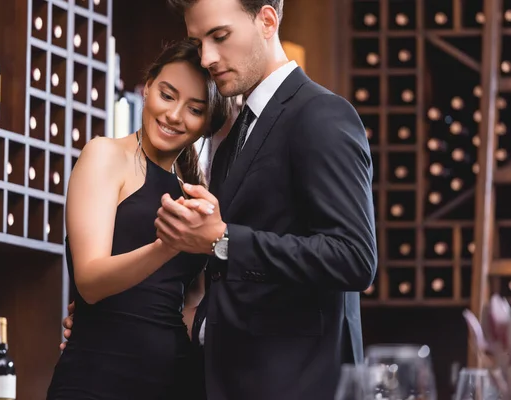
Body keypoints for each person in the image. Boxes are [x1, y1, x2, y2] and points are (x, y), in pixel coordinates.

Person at [63, 0, 377, 398]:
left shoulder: (321, 114)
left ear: (267, 20)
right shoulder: (231, 144)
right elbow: (220, 279)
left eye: (220, 36)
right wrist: (116, 323)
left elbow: (355, 258)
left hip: (296, 384)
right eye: (198, 41)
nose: (208, 57)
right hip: (214, 378)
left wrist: (221, 241)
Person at [46, 39, 232, 400]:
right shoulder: (104, 155)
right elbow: (90, 282)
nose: (175, 115)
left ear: (208, 124)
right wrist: (167, 246)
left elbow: (193, 301)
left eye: (194, 109)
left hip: (176, 380)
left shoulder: (194, 193)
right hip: (96, 376)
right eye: (167, 95)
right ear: (147, 87)